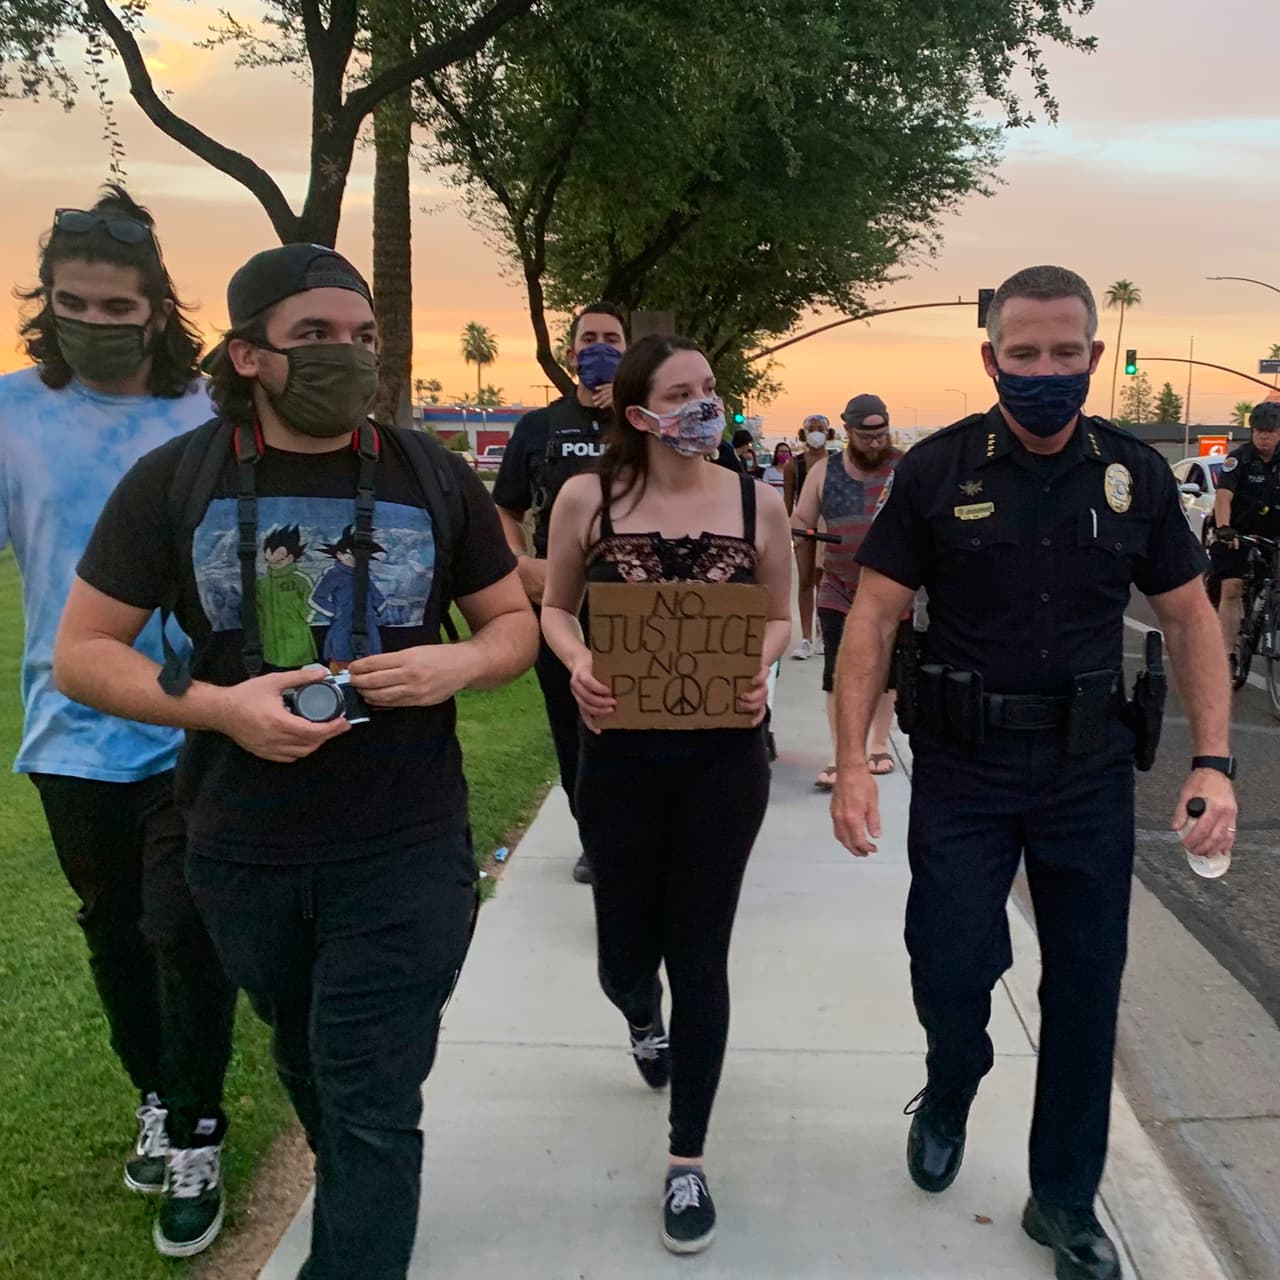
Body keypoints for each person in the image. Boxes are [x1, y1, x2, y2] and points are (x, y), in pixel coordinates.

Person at [54, 244, 539, 1280]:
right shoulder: (175, 479)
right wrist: (221, 708)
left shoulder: (431, 474)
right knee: (307, 1050)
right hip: (242, 843)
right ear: (249, 354)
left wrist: (456, 660)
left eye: (361, 336)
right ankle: (359, 1179)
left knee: (368, 1086)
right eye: (314, 335)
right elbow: (83, 652)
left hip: (404, 840)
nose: (346, 355)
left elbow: (512, 626)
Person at [831, 265, 1235, 1280]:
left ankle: (1061, 1199)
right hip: (964, 768)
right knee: (949, 962)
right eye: (1023, 354)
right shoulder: (937, 471)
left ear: (1092, 356)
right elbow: (872, 616)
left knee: (1086, 990)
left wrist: (1213, 761)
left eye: (1063, 353)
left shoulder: (1134, 474)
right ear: (990, 358)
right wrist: (851, 762)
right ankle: (952, 1077)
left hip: (1084, 772)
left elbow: (1189, 617)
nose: (1044, 371)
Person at [0, 186, 236, 1258]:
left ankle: (196, 1131)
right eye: (73, 303)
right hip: (70, 725)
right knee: (113, 931)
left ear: (156, 308)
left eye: (116, 306)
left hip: (198, 719)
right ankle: (155, 1091)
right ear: (46, 301)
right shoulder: (13, 415)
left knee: (185, 929)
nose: (93, 322)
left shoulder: (207, 417)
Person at [540, 335, 792, 1255]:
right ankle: (640, 1015)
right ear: (639, 414)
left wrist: (760, 669)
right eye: (681, 394)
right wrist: (577, 661)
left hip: (724, 759)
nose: (703, 407)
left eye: (709, 389)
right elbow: (556, 608)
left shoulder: (758, 503)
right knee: (624, 955)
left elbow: (779, 617)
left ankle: (688, 1158)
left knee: (701, 951)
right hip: (619, 758)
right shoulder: (588, 499)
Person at [493, 302, 627, 885]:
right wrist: (520, 566)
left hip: (636, 601)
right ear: (570, 353)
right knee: (574, 724)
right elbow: (504, 509)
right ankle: (594, 837)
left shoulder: (646, 423)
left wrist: (630, 412)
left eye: (612, 339)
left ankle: (638, 833)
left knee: (636, 724)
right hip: (561, 606)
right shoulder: (538, 427)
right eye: (589, 338)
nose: (600, 348)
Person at [791, 395, 903, 790]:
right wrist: (798, 534)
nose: (875, 443)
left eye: (881, 435)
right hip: (838, 584)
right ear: (848, 432)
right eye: (866, 436)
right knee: (837, 671)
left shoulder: (905, 467)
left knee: (886, 670)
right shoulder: (825, 470)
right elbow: (802, 517)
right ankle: (841, 753)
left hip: (891, 586)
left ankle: (878, 745)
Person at [1211, 399, 1280, 662]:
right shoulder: (1238, 459)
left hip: (1274, 534)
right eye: (1259, 431)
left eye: (1270, 431)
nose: (1264, 436)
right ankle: (1226, 655)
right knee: (1232, 587)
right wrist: (1224, 528)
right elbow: (1223, 496)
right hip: (1239, 533)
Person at [783, 414, 835, 659]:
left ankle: (822, 634)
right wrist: (785, 530)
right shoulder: (793, 466)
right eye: (812, 428)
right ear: (803, 433)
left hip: (828, 525)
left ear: (828, 433)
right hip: (803, 525)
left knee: (824, 580)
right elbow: (788, 502)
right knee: (805, 579)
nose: (816, 433)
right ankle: (806, 638)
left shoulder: (836, 463)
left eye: (820, 428)